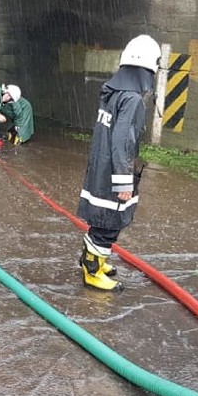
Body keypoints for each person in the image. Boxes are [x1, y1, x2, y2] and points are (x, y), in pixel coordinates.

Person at [76, 35, 161, 291]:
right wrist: (124, 181)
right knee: (109, 223)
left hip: (100, 169)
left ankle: (93, 261)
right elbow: (123, 140)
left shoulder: (113, 93)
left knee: (99, 220)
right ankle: (92, 271)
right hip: (114, 173)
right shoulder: (132, 100)